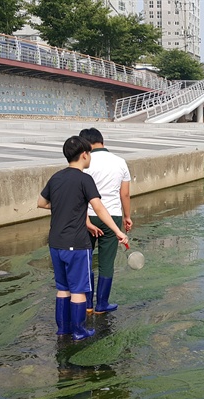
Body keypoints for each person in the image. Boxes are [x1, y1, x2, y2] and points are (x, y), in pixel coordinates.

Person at [38, 136, 128, 341]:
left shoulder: (56, 177)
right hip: (76, 244)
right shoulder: (84, 179)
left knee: (63, 289)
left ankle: (63, 330)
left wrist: (66, 205)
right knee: (78, 289)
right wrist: (118, 231)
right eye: (89, 154)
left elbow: (41, 202)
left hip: (56, 243)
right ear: (84, 154)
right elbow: (99, 208)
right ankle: (79, 330)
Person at [79, 128, 132, 314]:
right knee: (106, 263)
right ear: (102, 141)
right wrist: (127, 216)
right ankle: (102, 304)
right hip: (113, 216)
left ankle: (86, 304)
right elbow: (124, 193)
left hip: (88, 217)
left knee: (85, 260)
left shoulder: (85, 162)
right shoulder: (120, 162)